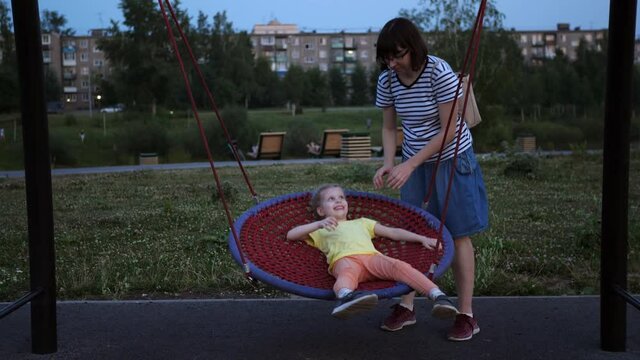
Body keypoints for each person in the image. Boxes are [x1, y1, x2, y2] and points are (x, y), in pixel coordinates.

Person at [373, 17, 489, 341]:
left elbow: (450, 128)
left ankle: (466, 314)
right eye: (386, 57)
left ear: (414, 48)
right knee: (412, 233)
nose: (391, 63)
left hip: (452, 158)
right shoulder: (388, 80)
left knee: (457, 233)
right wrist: (388, 163)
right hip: (414, 161)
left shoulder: (438, 71)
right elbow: (387, 127)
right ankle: (407, 305)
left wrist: (409, 165)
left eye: (397, 55)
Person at [286, 184, 458, 321]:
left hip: (372, 258)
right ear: (321, 211)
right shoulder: (321, 230)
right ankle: (346, 296)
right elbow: (291, 235)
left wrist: (421, 238)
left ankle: (438, 296)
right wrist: (318, 224)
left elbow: (393, 232)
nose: (338, 201)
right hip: (345, 260)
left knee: (400, 266)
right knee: (346, 273)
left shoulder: (362, 222)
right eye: (331, 199)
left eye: (341, 197)